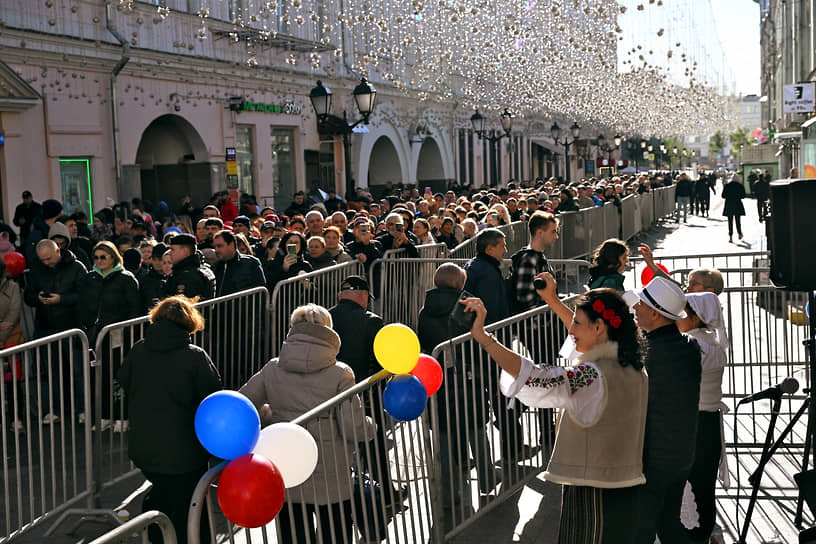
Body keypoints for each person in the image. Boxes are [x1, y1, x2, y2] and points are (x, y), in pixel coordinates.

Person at [461, 276, 648, 542]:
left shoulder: (591, 376)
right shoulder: (633, 367)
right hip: (625, 488)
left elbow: (537, 377)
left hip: (593, 492)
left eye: (577, 323)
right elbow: (582, 342)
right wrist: (552, 300)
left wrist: (484, 337)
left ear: (598, 328)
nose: (571, 329)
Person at [239, 304, 375, 544]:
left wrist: (270, 416)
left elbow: (244, 405)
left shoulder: (272, 368)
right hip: (331, 470)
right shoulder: (341, 373)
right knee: (336, 533)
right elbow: (351, 426)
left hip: (286, 467)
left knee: (293, 534)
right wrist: (370, 427)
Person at [118, 296, 222, 544]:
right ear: (189, 324)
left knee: (165, 497)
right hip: (185, 451)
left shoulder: (139, 349)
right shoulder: (195, 356)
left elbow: (123, 382)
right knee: (190, 505)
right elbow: (213, 397)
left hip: (144, 446)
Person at [417, 263, 498, 519]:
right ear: (459, 282)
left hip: (437, 380)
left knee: (444, 436)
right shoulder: (468, 306)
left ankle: (449, 494)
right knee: (476, 428)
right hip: (468, 377)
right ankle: (486, 479)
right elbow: (478, 340)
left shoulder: (425, 309)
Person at [631, 277, 702, 543]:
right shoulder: (688, 346)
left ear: (654, 313)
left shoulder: (649, 354)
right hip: (681, 454)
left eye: (641, 303)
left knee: (642, 531)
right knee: (669, 525)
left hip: (653, 459)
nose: (635, 307)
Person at [676, 292, 728, 543]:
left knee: (692, 489)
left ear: (697, 318)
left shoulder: (693, 345)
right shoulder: (713, 344)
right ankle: (703, 536)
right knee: (704, 489)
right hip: (707, 425)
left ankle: (697, 537)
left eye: (682, 313)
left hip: (693, 425)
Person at [23, 239, 87, 424]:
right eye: (42, 259)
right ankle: (55, 410)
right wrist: (38, 298)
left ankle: (82, 409)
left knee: (77, 371)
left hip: (71, 326)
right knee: (51, 372)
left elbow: (84, 295)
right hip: (45, 327)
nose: (46, 262)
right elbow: (28, 295)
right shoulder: (37, 269)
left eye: (48, 258)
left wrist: (62, 299)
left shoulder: (76, 267)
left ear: (58, 251)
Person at [507, 211, 559, 314]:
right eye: (553, 231)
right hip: (535, 326)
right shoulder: (529, 259)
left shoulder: (537, 256)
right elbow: (525, 299)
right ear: (539, 232)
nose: (556, 236)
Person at [212, 230, 266, 297]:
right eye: (215, 247)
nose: (216, 250)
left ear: (231, 244)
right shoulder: (215, 267)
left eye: (220, 246)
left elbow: (261, 292)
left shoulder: (251, 263)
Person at [163, 234, 216, 300]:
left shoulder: (188, 276)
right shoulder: (202, 270)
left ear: (185, 251)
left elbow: (182, 304)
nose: (170, 253)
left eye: (172, 249)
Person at [722, 174, 746, 243]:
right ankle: (739, 233)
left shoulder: (727, 186)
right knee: (738, 221)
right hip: (737, 204)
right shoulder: (740, 186)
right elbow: (743, 195)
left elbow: (723, 195)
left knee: (730, 221)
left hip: (729, 205)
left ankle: (730, 236)